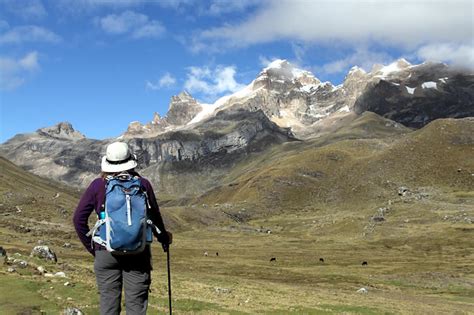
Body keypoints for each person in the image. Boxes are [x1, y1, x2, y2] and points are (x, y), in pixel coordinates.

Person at [73, 142, 172, 315]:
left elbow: (78, 219)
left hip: (105, 252)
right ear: (131, 161)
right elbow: (154, 216)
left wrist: (94, 248)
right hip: (138, 252)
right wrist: (163, 238)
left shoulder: (98, 185)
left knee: (109, 305)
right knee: (136, 305)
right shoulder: (143, 184)